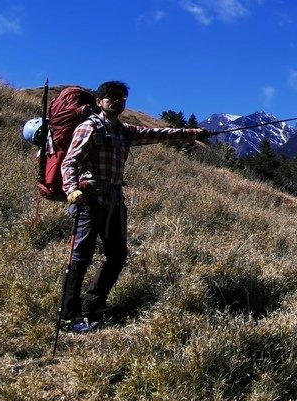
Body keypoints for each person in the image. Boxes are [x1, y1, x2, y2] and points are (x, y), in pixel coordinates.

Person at [59, 80, 209, 332]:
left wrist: (192, 133)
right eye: (111, 97)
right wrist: (71, 189)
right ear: (100, 101)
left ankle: (92, 306)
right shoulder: (89, 127)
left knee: (117, 255)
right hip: (89, 198)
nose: (117, 100)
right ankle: (68, 316)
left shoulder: (123, 131)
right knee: (80, 257)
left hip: (115, 199)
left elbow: (158, 134)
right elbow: (70, 162)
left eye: (121, 97)